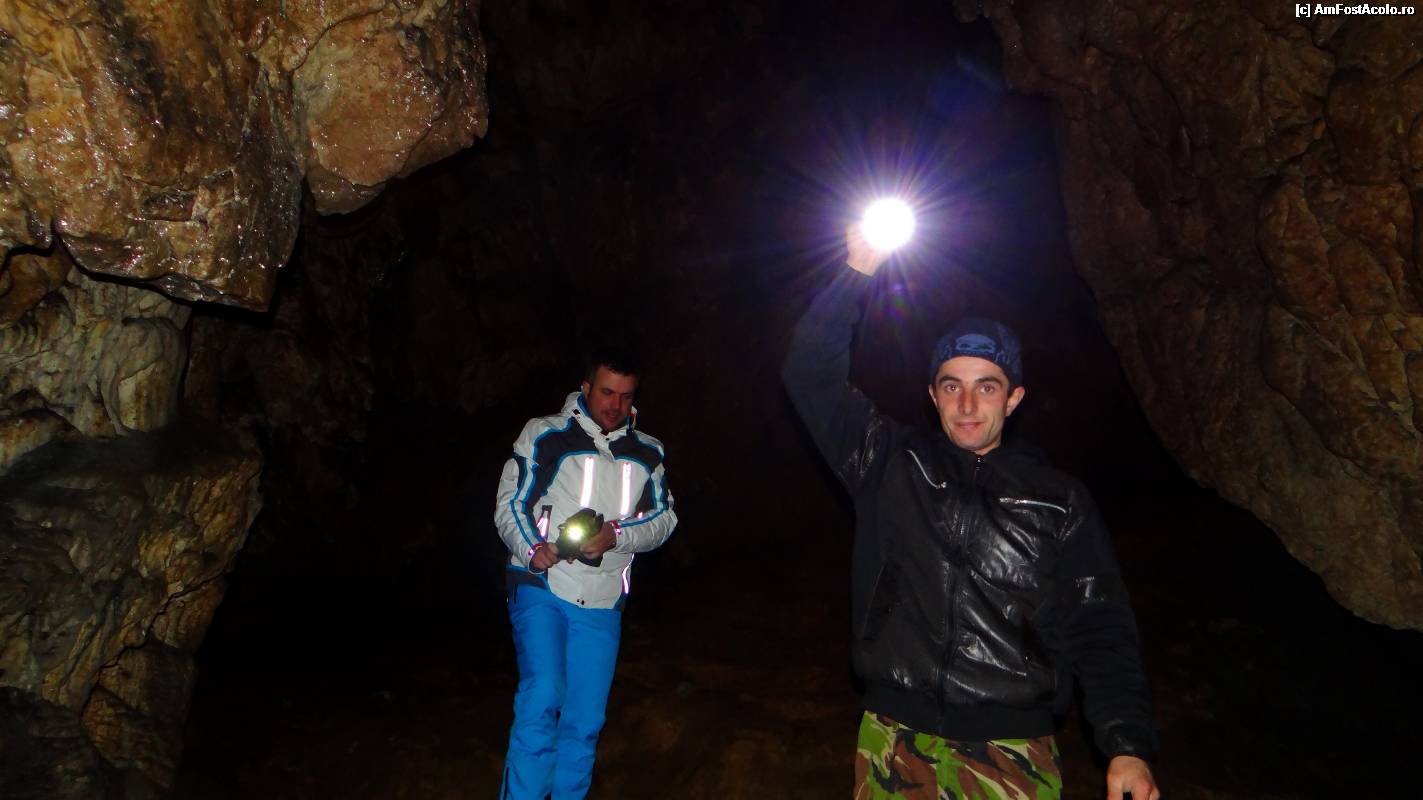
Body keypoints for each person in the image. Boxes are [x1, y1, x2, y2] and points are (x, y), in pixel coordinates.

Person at [781, 226, 1160, 800]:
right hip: (894, 737)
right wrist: (856, 271)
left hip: (1012, 750)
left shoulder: (1060, 500)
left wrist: (1126, 745)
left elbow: (1101, 626)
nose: (966, 404)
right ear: (932, 395)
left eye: (986, 387)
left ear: (1014, 398)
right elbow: (808, 371)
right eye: (951, 385)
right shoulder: (887, 462)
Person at [494, 348, 677, 799]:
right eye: (607, 392)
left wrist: (616, 535)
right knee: (543, 693)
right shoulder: (544, 435)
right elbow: (510, 503)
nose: (615, 405)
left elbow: (664, 519)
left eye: (625, 396)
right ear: (586, 387)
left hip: (602, 599)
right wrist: (533, 549)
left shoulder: (648, 453)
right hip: (541, 585)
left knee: (585, 721)